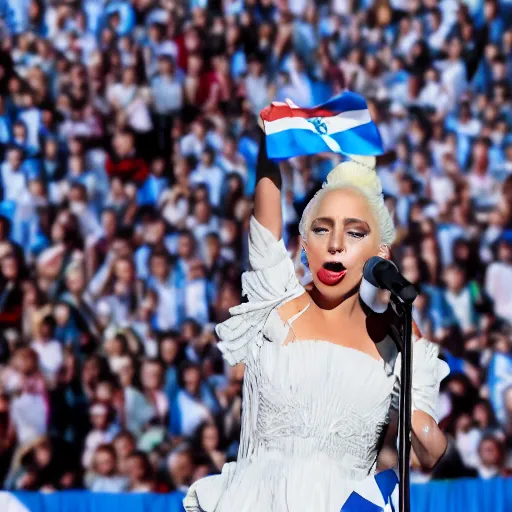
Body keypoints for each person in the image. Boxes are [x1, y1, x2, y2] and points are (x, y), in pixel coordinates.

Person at [184, 123, 450, 511]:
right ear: (305, 246)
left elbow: (429, 450)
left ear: (381, 254)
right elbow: (265, 219)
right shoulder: (277, 302)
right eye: (322, 230)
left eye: (355, 233)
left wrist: (415, 398)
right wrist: (270, 138)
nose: (336, 245)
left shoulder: (395, 338)